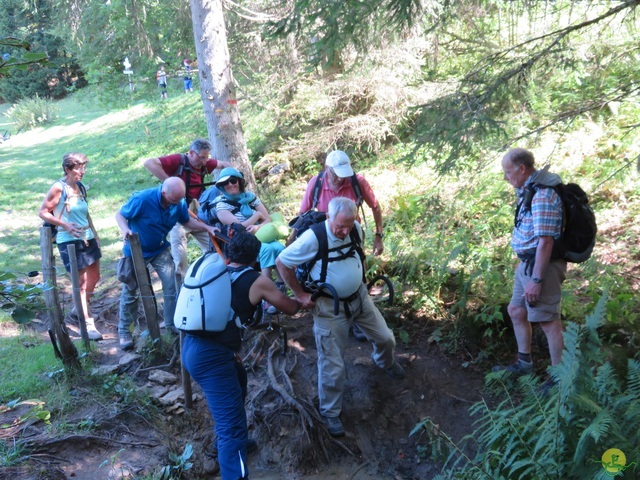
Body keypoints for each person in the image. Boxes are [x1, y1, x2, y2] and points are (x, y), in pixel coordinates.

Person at [276, 197, 406, 438]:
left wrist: (363, 282)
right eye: (340, 226)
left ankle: (384, 362)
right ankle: (330, 412)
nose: (345, 231)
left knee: (386, 338)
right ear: (329, 218)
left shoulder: (354, 229)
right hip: (329, 307)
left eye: (349, 225)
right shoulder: (314, 237)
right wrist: (301, 295)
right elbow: (282, 262)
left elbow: (360, 256)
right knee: (332, 364)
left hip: (360, 298)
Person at [182, 231, 301, 480]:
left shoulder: (217, 272)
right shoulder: (256, 280)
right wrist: (304, 295)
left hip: (193, 346)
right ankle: (234, 468)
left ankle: (225, 446)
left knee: (239, 381)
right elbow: (290, 307)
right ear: (256, 256)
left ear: (229, 251)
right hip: (211, 357)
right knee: (232, 426)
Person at [115, 177, 218, 349]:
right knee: (131, 291)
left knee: (171, 285)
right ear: (164, 193)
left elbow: (186, 220)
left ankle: (171, 325)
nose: (176, 204)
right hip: (136, 250)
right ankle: (125, 332)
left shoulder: (178, 202)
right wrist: (125, 229)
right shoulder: (142, 199)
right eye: (173, 200)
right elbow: (120, 215)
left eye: (179, 200)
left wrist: (207, 228)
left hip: (160, 249)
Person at [493, 148, 566, 377]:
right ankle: (524, 365)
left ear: (522, 169)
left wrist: (536, 279)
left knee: (548, 321)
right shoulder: (529, 189)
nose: (506, 177)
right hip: (527, 264)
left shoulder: (543, 195)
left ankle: (559, 378)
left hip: (542, 267)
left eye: (508, 172)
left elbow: (546, 242)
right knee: (516, 310)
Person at [143, 139, 231, 286]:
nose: (204, 161)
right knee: (180, 263)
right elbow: (149, 163)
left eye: (206, 157)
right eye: (201, 157)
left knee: (214, 250)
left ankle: (213, 282)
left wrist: (229, 177)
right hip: (178, 216)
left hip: (198, 215)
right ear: (191, 153)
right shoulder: (178, 160)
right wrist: (170, 182)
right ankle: (183, 291)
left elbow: (225, 165)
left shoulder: (204, 163)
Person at [38, 152, 103, 340]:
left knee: (95, 276)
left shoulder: (81, 187)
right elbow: (43, 212)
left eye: (84, 167)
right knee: (80, 285)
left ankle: (79, 308)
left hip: (87, 237)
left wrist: (95, 235)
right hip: (69, 241)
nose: (83, 171)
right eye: (78, 168)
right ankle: (87, 323)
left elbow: (85, 214)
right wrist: (65, 225)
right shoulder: (59, 188)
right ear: (67, 169)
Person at [212, 167, 286, 314]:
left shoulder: (251, 197)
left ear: (239, 182)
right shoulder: (220, 205)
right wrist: (256, 216)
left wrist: (258, 227)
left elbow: (268, 219)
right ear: (221, 186)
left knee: (278, 247)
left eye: (233, 180)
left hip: (260, 235)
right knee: (266, 249)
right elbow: (239, 227)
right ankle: (267, 296)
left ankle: (280, 286)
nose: (231, 184)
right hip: (240, 244)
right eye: (226, 183)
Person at [298, 150, 385, 256]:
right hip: (324, 235)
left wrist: (379, 236)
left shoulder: (358, 182)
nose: (340, 179)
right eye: (336, 174)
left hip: (352, 233)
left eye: (343, 175)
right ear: (327, 168)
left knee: (358, 265)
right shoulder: (316, 184)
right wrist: (294, 238)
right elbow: (302, 213)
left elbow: (375, 206)